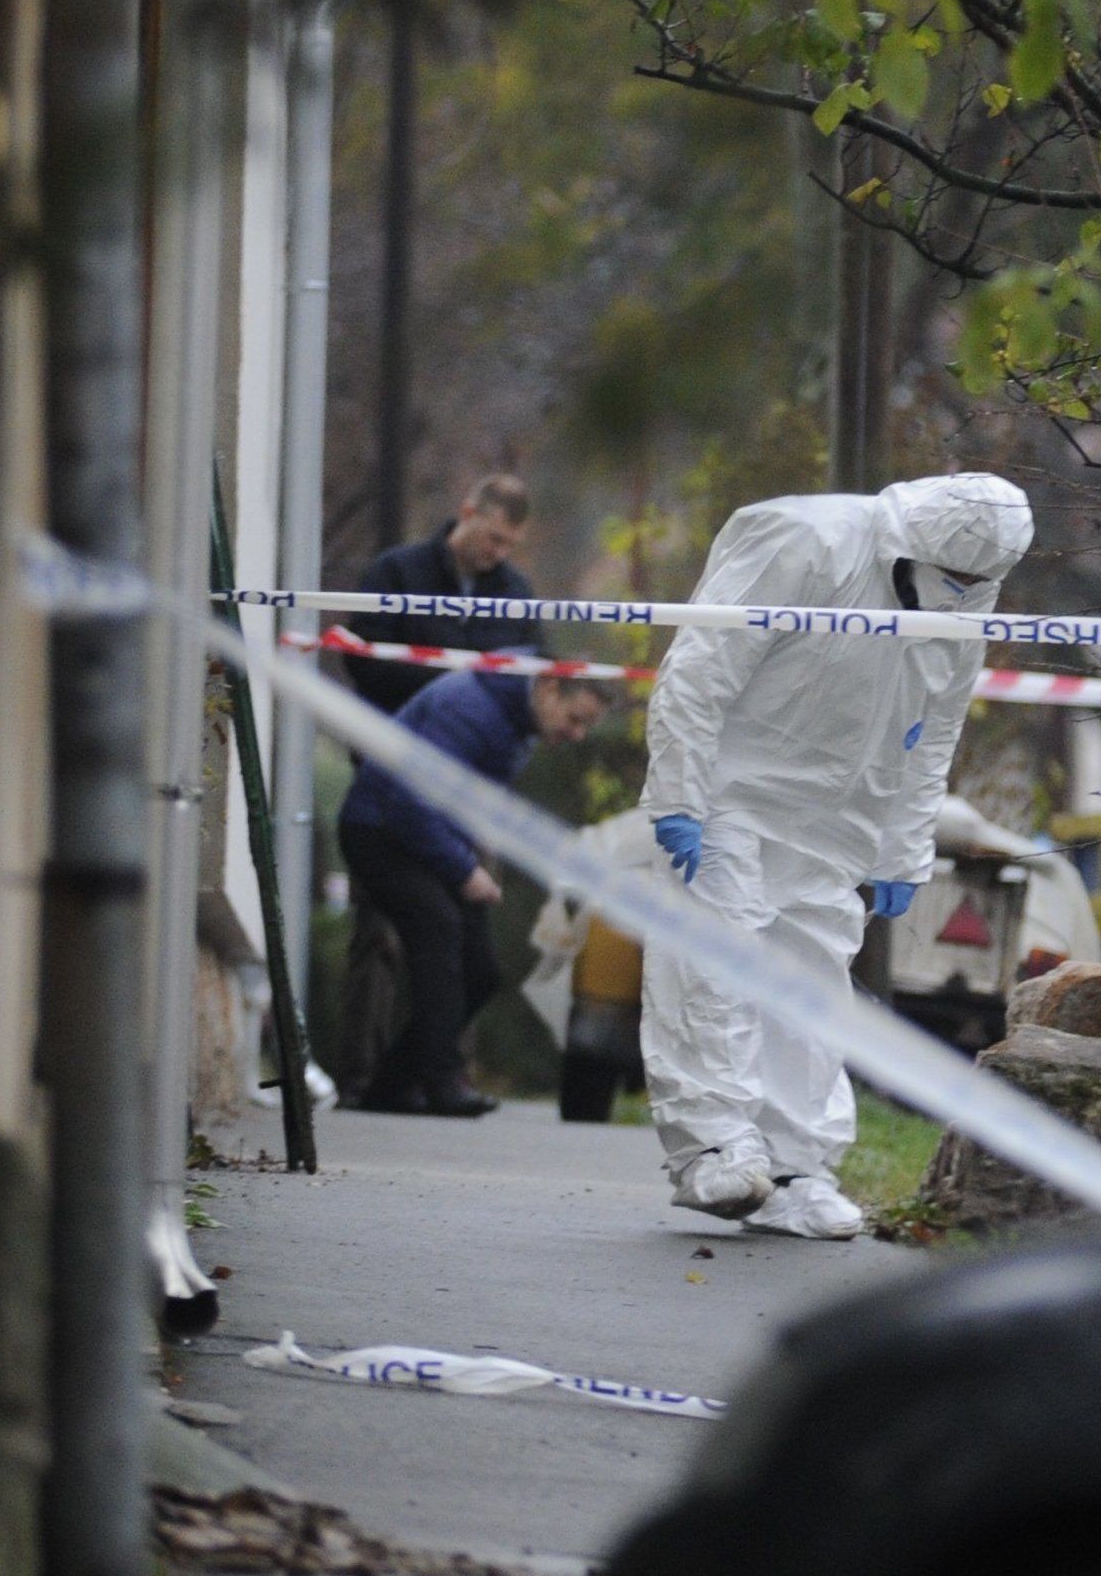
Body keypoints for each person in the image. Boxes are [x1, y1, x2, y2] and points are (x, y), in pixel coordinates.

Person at [640, 472, 1032, 1239]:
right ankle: (713, 1145)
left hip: (839, 815)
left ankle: (795, 1168)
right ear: (913, 544)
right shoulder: (802, 538)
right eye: (951, 578)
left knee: (812, 987)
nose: (958, 594)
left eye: (974, 584)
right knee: (711, 960)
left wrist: (902, 847)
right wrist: (681, 794)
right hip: (734, 792)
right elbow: (698, 671)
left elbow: (936, 725)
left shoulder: (969, 592)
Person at [335, 664, 618, 1116]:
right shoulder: (467, 709)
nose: (578, 735)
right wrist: (465, 870)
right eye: (575, 719)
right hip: (380, 831)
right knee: (439, 930)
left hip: (428, 838)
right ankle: (441, 1081)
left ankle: (391, 1084)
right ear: (548, 688)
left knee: (481, 970)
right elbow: (411, 800)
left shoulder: (516, 721)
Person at [343, 473, 541, 712]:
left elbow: (532, 670)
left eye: (510, 545)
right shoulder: (397, 571)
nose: (500, 554)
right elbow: (363, 658)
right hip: (394, 731)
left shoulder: (517, 592)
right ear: (468, 513)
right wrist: (453, 684)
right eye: (495, 539)